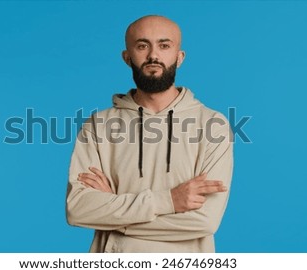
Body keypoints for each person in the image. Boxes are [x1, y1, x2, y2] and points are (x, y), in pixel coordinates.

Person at [66, 15, 233, 253]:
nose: (153, 55)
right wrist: (169, 201)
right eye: (142, 46)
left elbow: (205, 221)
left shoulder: (213, 125)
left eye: (164, 46)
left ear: (179, 56)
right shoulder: (98, 125)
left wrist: (115, 215)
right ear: (127, 57)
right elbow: (79, 209)